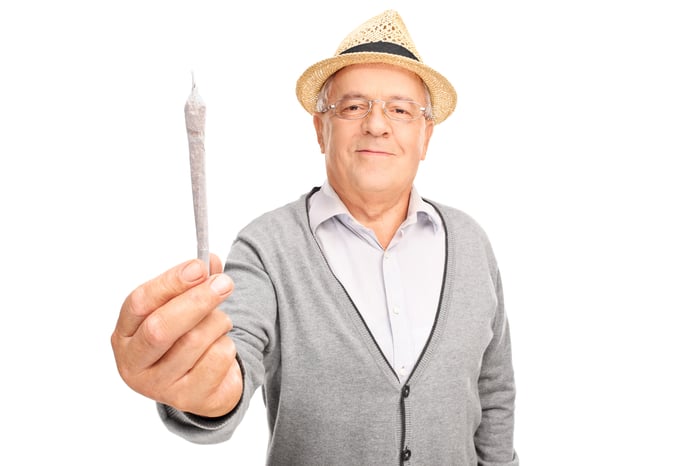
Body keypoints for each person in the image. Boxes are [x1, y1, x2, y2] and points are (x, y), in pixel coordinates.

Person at [111, 9, 518, 465]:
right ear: (320, 129)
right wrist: (204, 392)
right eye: (353, 106)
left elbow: (494, 390)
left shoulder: (471, 242)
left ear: (426, 137)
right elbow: (234, 350)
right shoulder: (268, 247)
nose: (377, 124)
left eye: (400, 110)